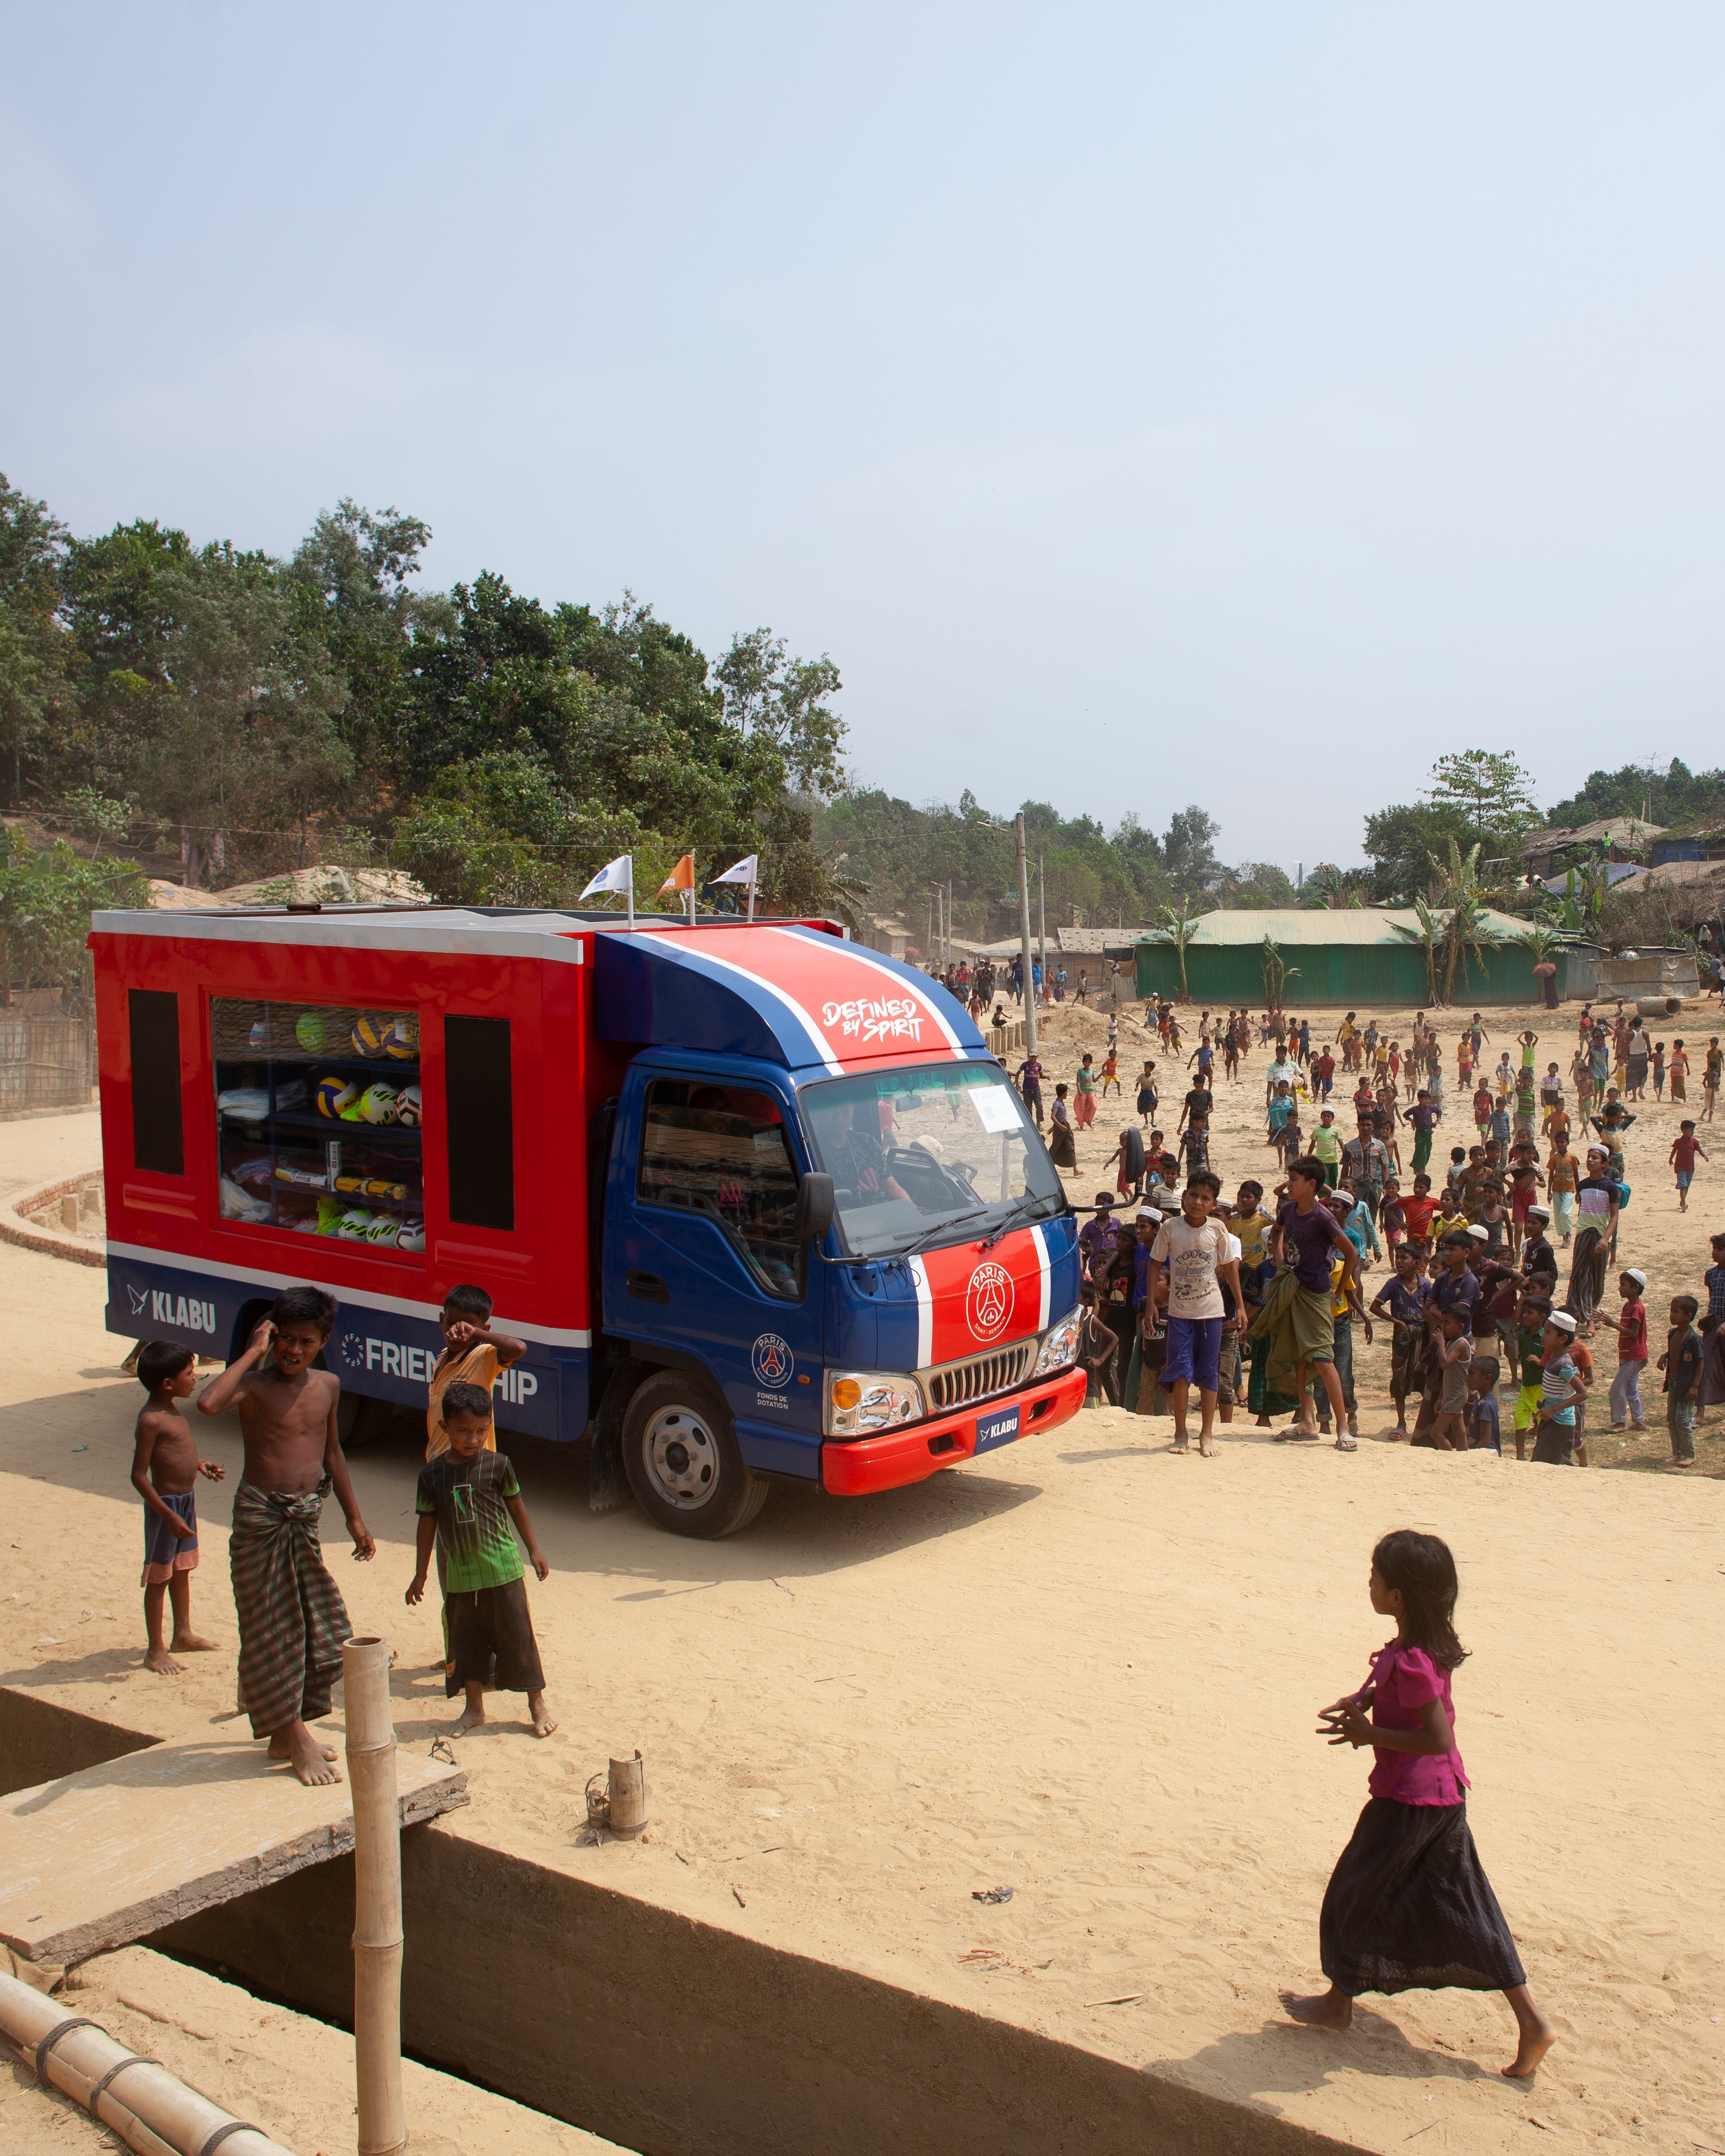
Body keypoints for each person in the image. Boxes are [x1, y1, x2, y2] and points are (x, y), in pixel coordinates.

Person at [1280, 1530, 1553, 2078]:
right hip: (1442, 1799)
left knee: (1353, 1894)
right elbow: (1400, 1691)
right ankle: (1531, 2023)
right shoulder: (1422, 1647)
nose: (1370, 1584)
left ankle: (1338, 2003)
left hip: (1411, 1801)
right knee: (1466, 1907)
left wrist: (1368, 1732)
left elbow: (1436, 1738)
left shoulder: (1410, 1659)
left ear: (1398, 1596)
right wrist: (1364, 1701)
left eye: (1375, 1578)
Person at [195, 1286, 376, 1786]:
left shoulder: (329, 1386)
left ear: (324, 1340)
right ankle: (295, 1739)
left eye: (305, 1341)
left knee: (312, 1623)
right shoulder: (254, 1386)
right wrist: (251, 1351)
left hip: (306, 1518)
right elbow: (208, 1404)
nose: (293, 1351)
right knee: (268, 1626)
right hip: (260, 1518)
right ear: (272, 1337)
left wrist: (354, 1517)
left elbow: (332, 1452)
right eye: (284, 1340)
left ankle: (284, 1729)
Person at [407, 1380, 555, 1737]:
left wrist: (533, 1550)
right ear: (444, 1428)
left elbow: (517, 1507)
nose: (472, 1439)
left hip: (503, 1568)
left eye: (480, 1431)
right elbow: (426, 1526)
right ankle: (474, 1709)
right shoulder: (432, 1476)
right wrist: (420, 1574)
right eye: (463, 1431)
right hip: (461, 1575)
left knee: (519, 1638)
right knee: (467, 1643)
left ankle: (538, 1704)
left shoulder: (499, 1465)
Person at [1254, 1155, 1361, 1451]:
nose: (1289, 1184)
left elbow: (1351, 1255)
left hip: (1315, 1294)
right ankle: (1308, 1422)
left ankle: (1341, 1427)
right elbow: (1276, 1232)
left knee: (1323, 1360)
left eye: (1294, 1180)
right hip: (1292, 1287)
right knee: (1299, 1358)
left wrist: (1339, 1292)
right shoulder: (1288, 1209)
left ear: (1312, 1185)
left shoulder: (1323, 1217)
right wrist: (1277, 1257)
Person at [131, 1341, 225, 1675]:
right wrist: (167, 1515)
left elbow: (173, 1454)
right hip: (166, 1508)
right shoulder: (151, 1419)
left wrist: (198, 1464)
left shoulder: (171, 1408)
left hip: (185, 1501)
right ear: (168, 1383)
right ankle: (155, 1650)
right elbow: (139, 1476)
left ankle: (182, 1633)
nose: (196, 1378)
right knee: (160, 1575)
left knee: (182, 1568)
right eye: (190, 1373)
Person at [1146, 1170, 1242, 1456]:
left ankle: (1207, 1434)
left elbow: (1229, 1268)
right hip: (1179, 1313)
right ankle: (1180, 1432)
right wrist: (1152, 1303)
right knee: (1180, 1374)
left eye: (1205, 1198)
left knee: (1209, 1374)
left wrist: (1238, 1306)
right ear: (1184, 1196)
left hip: (1211, 1312)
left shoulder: (1217, 1229)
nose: (1198, 1202)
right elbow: (1154, 1265)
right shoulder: (1171, 1228)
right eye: (1193, 1195)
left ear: (1213, 1204)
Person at [429, 1284, 526, 1460]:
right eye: (451, 1323)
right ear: (442, 1319)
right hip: (441, 1463)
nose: (456, 1333)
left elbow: (518, 1348)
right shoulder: (442, 1358)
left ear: (484, 1330)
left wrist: (476, 1334)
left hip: (473, 1466)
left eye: (466, 1328)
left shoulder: (482, 1357)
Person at [1370, 1247, 1431, 1438]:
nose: (1399, 1262)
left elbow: (1431, 1313)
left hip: (1423, 1336)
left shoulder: (1426, 1286)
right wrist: (1395, 1321)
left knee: (1426, 1377)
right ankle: (1401, 1422)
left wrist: (1431, 1340)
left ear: (1416, 1263)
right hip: (1402, 1337)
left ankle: (1426, 1424)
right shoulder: (1393, 1284)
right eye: (1397, 1258)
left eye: (1404, 1258)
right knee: (1400, 1376)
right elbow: (1375, 1307)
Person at [1564, 1146, 1620, 1330]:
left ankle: (1592, 1314)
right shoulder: (1582, 1185)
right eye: (1589, 1157)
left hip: (1600, 1236)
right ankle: (1584, 1318)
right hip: (1582, 1234)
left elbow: (1614, 1216)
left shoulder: (1610, 1187)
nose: (1590, 1160)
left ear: (1604, 1163)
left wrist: (1605, 1239)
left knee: (1597, 1278)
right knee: (1580, 1275)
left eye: (1595, 1158)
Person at [1532, 1310, 1586, 1464]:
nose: (1543, 1336)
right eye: (1544, 1331)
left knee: (1541, 1461)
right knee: (1554, 1460)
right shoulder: (1553, 1357)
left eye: (1548, 1333)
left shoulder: (1563, 1364)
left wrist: (1553, 1409)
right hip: (1551, 1418)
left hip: (1560, 1422)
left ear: (1563, 1339)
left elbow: (1583, 1393)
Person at [1658, 1295, 1703, 1468]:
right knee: (1672, 1419)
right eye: (1672, 1311)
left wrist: (1695, 1386)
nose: (1672, 1315)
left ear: (1688, 1316)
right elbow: (1673, 1352)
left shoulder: (1693, 1339)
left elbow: (1700, 1362)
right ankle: (1676, 1452)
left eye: (1676, 1312)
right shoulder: (1673, 1334)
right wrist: (1665, 1356)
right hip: (1673, 1382)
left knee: (1683, 1420)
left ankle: (1689, 1454)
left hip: (1686, 1386)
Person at [1608, 1269, 1650, 1433]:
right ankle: (1639, 1421)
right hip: (1629, 1354)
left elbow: (1633, 1333)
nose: (1620, 1288)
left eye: (1623, 1285)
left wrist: (1613, 1324)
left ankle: (1620, 1422)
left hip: (1634, 1355)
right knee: (1631, 1387)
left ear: (1635, 1288)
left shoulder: (1637, 1309)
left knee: (1617, 1389)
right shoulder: (1629, 1306)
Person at [1076, 1284, 1121, 1407]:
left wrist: (1101, 1360)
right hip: (1071, 1381)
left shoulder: (1091, 1321)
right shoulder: (1069, 1320)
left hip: (1088, 1385)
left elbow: (1114, 1339)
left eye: (1077, 1295)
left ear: (1086, 1302)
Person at [1465, 1354, 1502, 1453]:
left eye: (1472, 1374)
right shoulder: (1487, 1401)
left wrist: (1474, 1455)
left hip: (1486, 1454)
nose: (1468, 1378)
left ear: (1487, 1379)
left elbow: (1485, 1441)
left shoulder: (1485, 1405)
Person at [1670, 1119, 1708, 1213]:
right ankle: (1683, 1203)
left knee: (1686, 1186)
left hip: (1690, 1168)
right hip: (1680, 1167)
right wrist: (1671, 1159)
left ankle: (1682, 1201)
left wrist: (1704, 1156)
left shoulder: (1694, 1142)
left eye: (1693, 1130)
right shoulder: (1678, 1141)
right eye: (1690, 1130)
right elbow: (1674, 1150)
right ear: (1684, 1130)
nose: (1692, 1132)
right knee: (1683, 1184)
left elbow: (1699, 1150)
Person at [1048, 1083, 1076, 1170]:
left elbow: (1058, 1117)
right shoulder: (1057, 1104)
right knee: (1055, 1147)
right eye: (1067, 1092)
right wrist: (1059, 1126)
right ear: (1064, 1094)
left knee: (1070, 1146)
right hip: (1061, 1128)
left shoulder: (1061, 1103)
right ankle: (1048, 1164)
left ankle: (1075, 1169)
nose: (1067, 1094)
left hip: (1065, 1127)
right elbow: (1053, 1116)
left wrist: (1054, 1127)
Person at [1136, 1060, 1159, 1128]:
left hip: (1149, 1093)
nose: (1145, 1069)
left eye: (1147, 1067)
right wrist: (1136, 1087)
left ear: (1151, 1069)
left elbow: (1155, 1087)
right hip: (1143, 1093)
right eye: (1145, 1067)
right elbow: (1138, 1082)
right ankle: (1146, 1121)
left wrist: (1157, 1097)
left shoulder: (1153, 1078)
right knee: (1144, 1108)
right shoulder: (1142, 1076)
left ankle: (1152, 1120)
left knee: (1152, 1106)